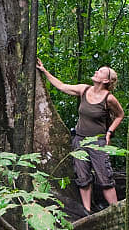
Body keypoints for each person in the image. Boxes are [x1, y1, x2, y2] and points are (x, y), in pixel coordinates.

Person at [36, 59, 124, 214]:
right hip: (79, 140)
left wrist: (109, 132)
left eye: (101, 71)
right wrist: (44, 71)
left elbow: (120, 115)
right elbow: (62, 86)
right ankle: (87, 212)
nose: (97, 71)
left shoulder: (108, 98)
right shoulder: (84, 90)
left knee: (105, 177)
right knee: (82, 177)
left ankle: (117, 212)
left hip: (98, 142)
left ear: (106, 80)